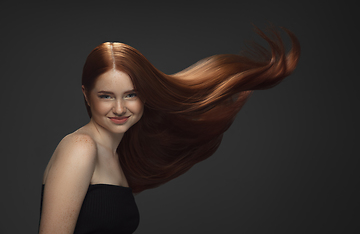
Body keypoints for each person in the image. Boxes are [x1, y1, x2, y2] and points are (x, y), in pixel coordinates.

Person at [38, 26, 300, 234]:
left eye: (131, 94)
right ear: (87, 95)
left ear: (145, 96)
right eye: (106, 96)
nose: (119, 108)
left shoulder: (116, 155)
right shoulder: (81, 147)